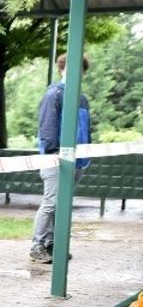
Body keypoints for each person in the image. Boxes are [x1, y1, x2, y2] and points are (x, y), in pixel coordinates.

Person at [31, 52, 92, 264]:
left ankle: (52, 244)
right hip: (54, 160)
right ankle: (37, 245)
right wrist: (51, 154)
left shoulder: (82, 98)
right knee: (51, 203)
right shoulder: (54, 94)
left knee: (62, 204)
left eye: (80, 70)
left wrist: (86, 156)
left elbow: (86, 129)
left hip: (78, 161)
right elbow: (47, 127)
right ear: (62, 69)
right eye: (71, 68)